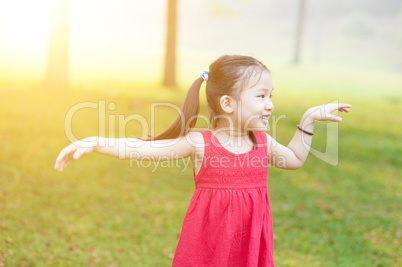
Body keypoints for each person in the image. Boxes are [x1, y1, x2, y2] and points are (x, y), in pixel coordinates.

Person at [54, 55, 351, 266]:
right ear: (227, 103)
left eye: (271, 95)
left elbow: (296, 158)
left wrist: (308, 119)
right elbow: (142, 150)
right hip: (208, 250)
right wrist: (95, 142)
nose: (270, 105)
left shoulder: (261, 142)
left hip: (249, 249)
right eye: (261, 96)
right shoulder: (201, 143)